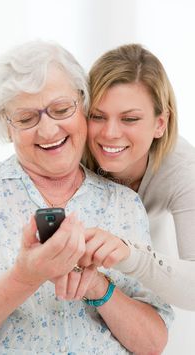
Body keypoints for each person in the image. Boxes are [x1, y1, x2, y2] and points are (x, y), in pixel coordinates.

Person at [0, 40, 173, 355]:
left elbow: (153, 344)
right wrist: (26, 277)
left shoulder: (123, 203)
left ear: (83, 105)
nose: (48, 131)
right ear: (7, 127)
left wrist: (99, 287)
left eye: (61, 109)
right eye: (26, 118)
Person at [83, 43, 195, 311]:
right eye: (97, 116)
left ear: (160, 123)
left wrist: (132, 257)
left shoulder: (182, 168)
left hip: (146, 251)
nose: (110, 133)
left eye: (130, 119)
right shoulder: (73, 149)